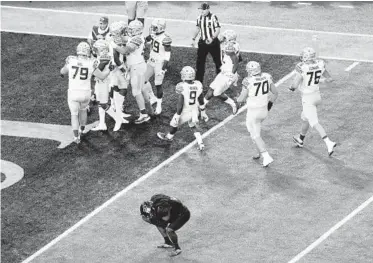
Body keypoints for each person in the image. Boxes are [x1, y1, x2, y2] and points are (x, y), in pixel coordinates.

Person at [60, 42, 111, 143]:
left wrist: (63, 72)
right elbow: (102, 76)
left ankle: (76, 137)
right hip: (86, 93)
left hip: (73, 92)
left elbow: (62, 72)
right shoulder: (91, 62)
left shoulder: (71, 60)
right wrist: (109, 70)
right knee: (83, 110)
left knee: (74, 114)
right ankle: (82, 130)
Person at [290, 47, 337, 156]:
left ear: (306, 57)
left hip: (308, 99)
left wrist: (291, 88)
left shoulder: (302, 67)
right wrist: (321, 80)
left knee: (314, 122)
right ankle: (300, 139)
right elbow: (329, 78)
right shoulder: (320, 63)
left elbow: (295, 84)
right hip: (317, 96)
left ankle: (328, 142)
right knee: (305, 118)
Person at [236, 61, 278, 167]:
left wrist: (237, 98)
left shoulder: (248, 80)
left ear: (250, 71)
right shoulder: (267, 76)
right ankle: (258, 152)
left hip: (253, 112)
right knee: (256, 133)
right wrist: (269, 105)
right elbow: (275, 92)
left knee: (255, 135)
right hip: (264, 110)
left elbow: (241, 99)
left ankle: (266, 155)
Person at [110, 20, 152, 124]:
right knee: (141, 89)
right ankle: (150, 109)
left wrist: (113, 44)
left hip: (136, 67)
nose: (129, 30)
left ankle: (144, 114)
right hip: (137, 66)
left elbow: (125, 50)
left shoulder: (137, 39)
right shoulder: (135, 37)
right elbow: (124, 39)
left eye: (131, 29)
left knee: (136, 91)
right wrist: (116, 35)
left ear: (137, 30)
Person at [157, 66, 205, 151]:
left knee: (173, 124)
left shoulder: (182, 86)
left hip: (185, 111)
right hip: (195, 110)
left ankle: (169, 137)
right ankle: (200, 142)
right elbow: (201, 99)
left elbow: (180, 103)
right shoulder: (198, 84)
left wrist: (178, 115)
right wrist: (203, 111)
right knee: (193, 125)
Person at [200, 38, 240, 122]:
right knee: (211, 89)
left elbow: (236, 65)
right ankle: (201, 107)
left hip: (228, 76)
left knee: (217, 93)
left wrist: (231, 76)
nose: (225, 50)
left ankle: (233, 104)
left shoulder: (233, 56)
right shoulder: (228, 51)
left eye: (227, 49)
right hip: (223, 73)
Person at [144, 18, 172, 115]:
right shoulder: (153, 34)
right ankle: (152, 97)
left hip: (159, 63)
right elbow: (145, 40)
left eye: (155, 27)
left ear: (160, 28)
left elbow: (167, 56)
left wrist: (164, 68)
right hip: (151, 61)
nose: (153, 28)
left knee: (158, 84)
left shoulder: (165, 38)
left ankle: (159, 105)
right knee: (143, 80)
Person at [90, 39, 120, 131]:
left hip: (103, 83)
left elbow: (97, 73)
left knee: (103, 104)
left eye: (96, 49)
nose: (94, 50)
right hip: (101, 82)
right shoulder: (104, 57)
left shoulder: (103, 59)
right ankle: (102, 124)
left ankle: (118, 119)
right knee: (100, 104)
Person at [191, 2, 222, 84]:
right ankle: (198, 82)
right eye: (201, 10)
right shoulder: (199, 18)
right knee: (200, 63)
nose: (202, 12)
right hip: (202, 43)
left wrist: (212, 38)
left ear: (208, 9)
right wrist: (193, 38)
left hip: (213, 43)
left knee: (218, 62)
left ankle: (221, 81)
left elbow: (218, 29)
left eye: (203, 10)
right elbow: (197, 28)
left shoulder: (213, 17)